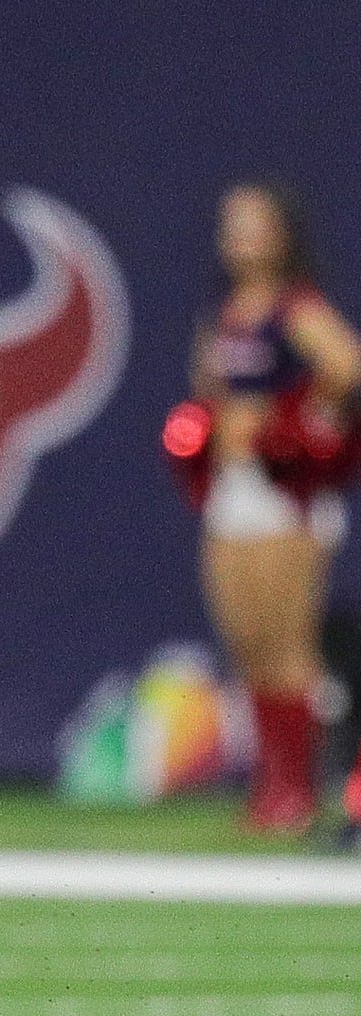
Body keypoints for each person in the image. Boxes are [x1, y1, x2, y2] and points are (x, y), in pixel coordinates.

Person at [183, 181, 361, 833]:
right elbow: (208, 387)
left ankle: (300, 789)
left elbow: (347, 365)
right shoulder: (225, 309)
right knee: (247, 639)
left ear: (282, 235)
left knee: (289, 643)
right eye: (231, 225)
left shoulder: (297, 307)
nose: (238, 238)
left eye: (253, 225)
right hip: (235, 489)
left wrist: (290, 419)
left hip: (288, 490)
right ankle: (270, 785)